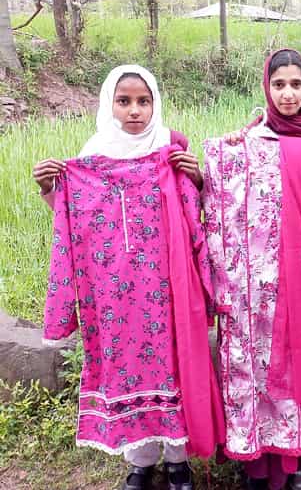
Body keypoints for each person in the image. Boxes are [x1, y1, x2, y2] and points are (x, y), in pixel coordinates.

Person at [34, 65, 225, 490]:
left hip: (167, 285)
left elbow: (200, 211)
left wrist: (195, 177)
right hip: (113, 291)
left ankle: (178, 462)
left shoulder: (170, 150)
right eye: (124, 101)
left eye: (144, 101)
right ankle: (140, 462)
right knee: (125, 365)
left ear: (156, 104)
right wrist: (50, 188)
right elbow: (74, 217)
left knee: (173, 363)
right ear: (109, 104)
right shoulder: (92, 155)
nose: (134, 110)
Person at [202, 49, 301, 490]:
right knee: (254, 368)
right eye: (279, 85)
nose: (288, 94)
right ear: (265, 89)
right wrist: (205, 165)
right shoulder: (244, 144)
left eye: (296, 84)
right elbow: (217, 199)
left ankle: (297, 455)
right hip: (251, 289)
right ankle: (258, 461)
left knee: (299, 363)